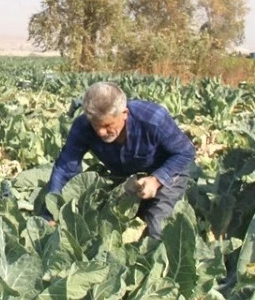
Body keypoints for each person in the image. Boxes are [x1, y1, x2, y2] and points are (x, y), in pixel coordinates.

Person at [46, 82, 196, 241]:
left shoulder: (153, 119)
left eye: (107, 125)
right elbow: (65, 168)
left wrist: (157, 179)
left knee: (156, 225)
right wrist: (51, 214)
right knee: (104, 224)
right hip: (126, 177)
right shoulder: (83, 126)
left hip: (169, 170)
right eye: (95, 125)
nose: (101, 132)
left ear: (124, 113)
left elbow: (185, 151)